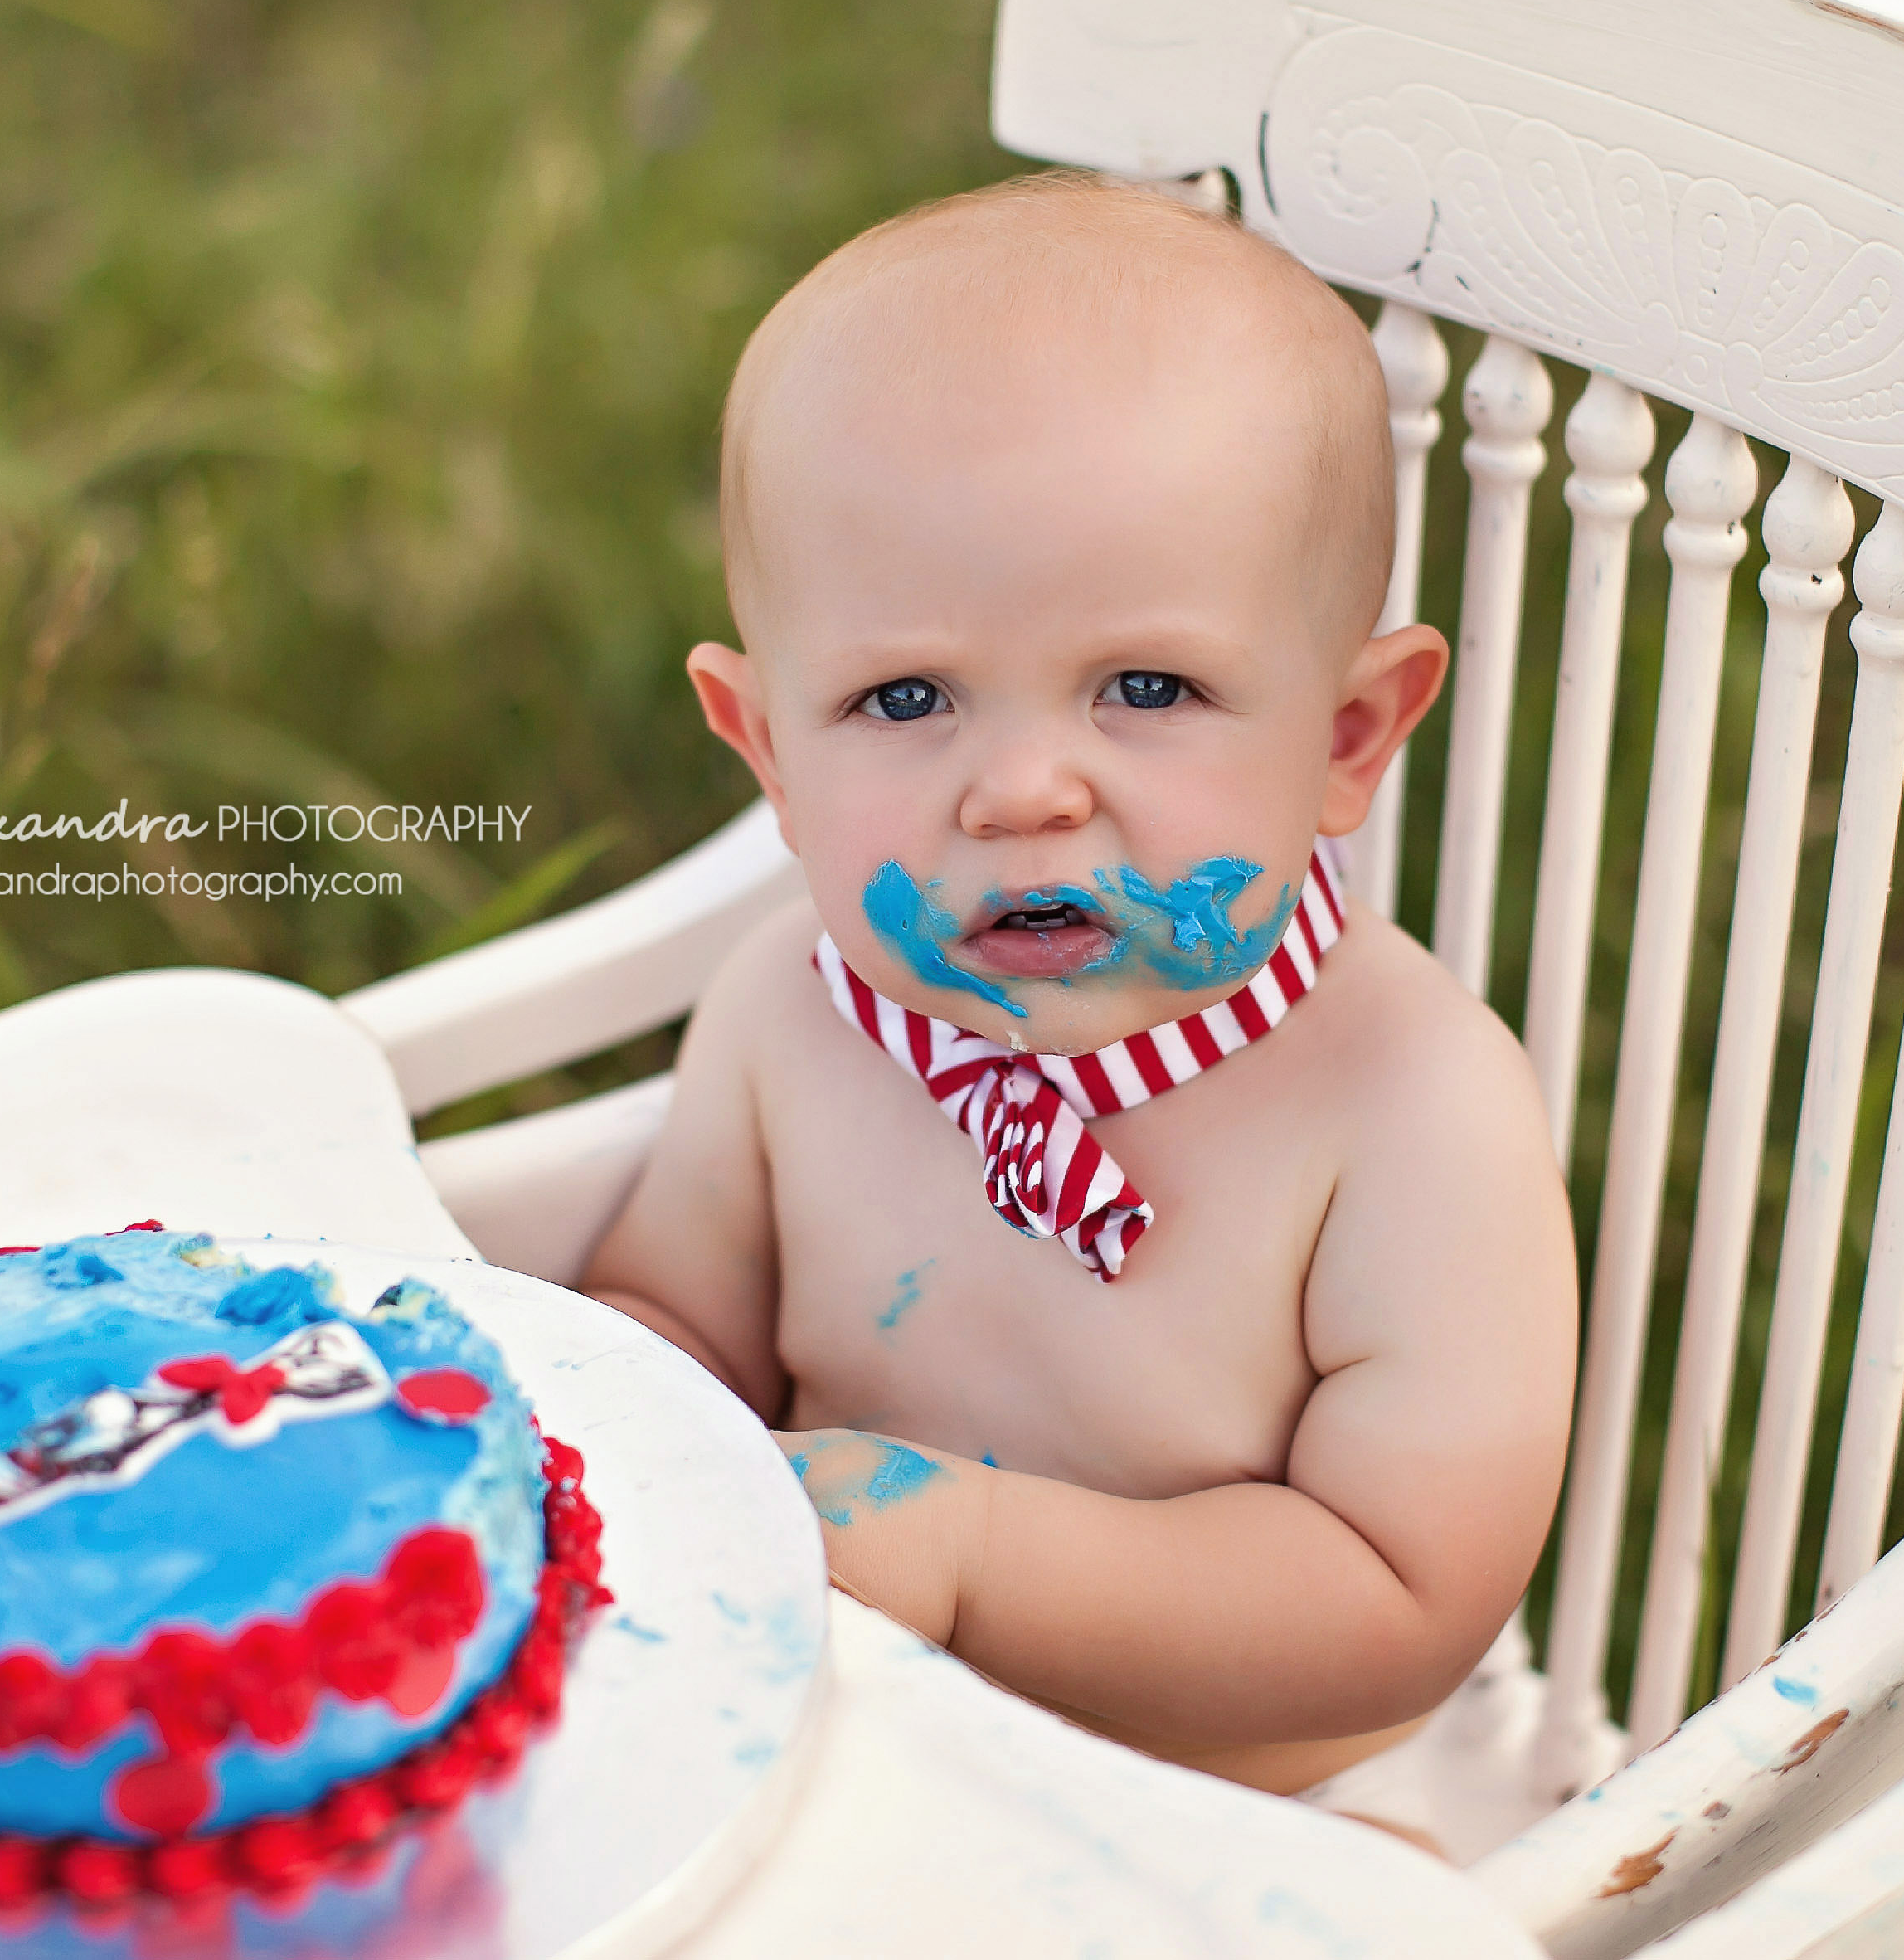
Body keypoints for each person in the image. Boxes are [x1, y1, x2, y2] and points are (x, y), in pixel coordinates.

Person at [581, 169, 1576, 1823]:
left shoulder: (1408, 1109)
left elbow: (1398, 1602)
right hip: (810, 1763)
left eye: (1145, 687)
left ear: (1345, 740)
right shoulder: (786, 1013)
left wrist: (972, 1552)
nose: (1025, 790)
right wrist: (623, 1414)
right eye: (903, 697)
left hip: (1225, 1832)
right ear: (763, 748)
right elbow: (677, 1315)